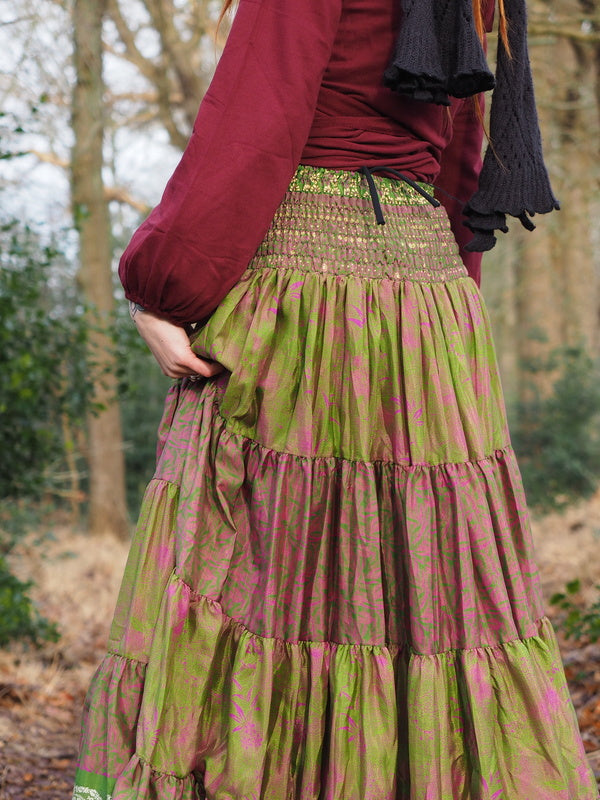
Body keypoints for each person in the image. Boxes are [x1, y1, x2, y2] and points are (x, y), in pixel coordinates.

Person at [72, 0, 599, 798]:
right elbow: (459, 155)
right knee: (430, 584)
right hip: (431, 302)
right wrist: (439, 326)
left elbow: (254, 123)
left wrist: (162, 288)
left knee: (266, 574)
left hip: (309, 293)